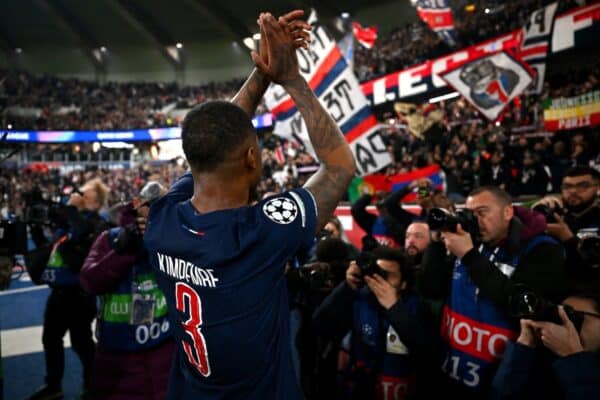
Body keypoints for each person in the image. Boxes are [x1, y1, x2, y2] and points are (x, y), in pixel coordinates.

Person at [144, 10, 355, 400]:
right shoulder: (262, 233)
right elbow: (340, 166)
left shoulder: (162, 218)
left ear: (191, 160)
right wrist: (291, 78)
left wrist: (262, 73)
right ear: (252, 158)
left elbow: (219, 134)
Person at [420, 186, 567, 399]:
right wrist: (435, 244)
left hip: (501, 384)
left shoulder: (544, 249)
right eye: (471, 213)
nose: (475, 219)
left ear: (507, 212)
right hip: (451, 374)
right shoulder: (468, 242)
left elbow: (524, 306)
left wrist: (469, 256)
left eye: (482, 212)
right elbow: (430, 288)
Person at [80, 182, 175, 400]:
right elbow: (88, 281)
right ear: (137, 206)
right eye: (151, 205)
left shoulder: (174, 240)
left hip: (167, 356)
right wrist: (124, 250)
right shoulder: (110, 238)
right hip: (116, 362)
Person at [313, 247, 438, 399]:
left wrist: (394, 308)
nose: (382, 280)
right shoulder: (361, 299)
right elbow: (321, 326)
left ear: (403, 283)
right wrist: (347, 287)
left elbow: (429, 353)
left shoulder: (415, 307)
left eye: (389, 276)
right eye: (378, 274)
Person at [27, 178, 109, 400]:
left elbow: (81, 237)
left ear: (97, 201)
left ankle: (92, 387)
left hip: (80, 295)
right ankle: (53, 386)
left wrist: (72, 209)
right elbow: (52, 248)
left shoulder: (97, 223)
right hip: (58, 293)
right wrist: (35, 228)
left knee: (81, 343)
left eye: (86, 193)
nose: (79, 195)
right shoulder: (69, 222)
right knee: (50, 339)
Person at [493, 292, 600, 399]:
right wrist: (524, 346)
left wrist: (572, 355)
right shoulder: (551, 370)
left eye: (574, 317)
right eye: (562, 318)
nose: (569, 328)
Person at [532, 165, 600, 287]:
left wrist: (568, 240)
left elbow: (593, 273)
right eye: (568, 186)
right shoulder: (555, 214)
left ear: (597, 188)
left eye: (583, 185)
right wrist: (534, 214)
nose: (573, 191)